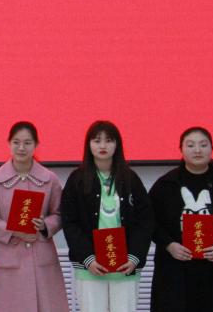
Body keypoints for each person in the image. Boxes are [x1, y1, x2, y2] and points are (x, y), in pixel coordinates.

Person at [148, 126, 213, 312]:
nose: (197, 150)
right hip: (176, 267)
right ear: (181, 149)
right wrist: (169, 245)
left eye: (203, 145)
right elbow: (149, 222)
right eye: (190, 145)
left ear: (212, 148)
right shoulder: (165, 185)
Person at [61, 121, 153, 312]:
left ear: (117, 144)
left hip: (125, 265)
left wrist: (134, 257)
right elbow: (70, 222)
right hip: (90, 267)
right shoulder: (77, 179)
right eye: (97, 141)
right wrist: (88, 258)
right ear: (88, 144)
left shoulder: (130, 178)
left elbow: (145, 221)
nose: (102, 146)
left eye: (109, 140)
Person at [0, 121, 68, 312]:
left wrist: (44, 225)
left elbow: (61, 214)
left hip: (41, 255)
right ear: (8, 143)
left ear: (36, 145)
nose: (21, 148)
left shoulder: (49, 178)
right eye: (16, 142)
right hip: (9, 257)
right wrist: (12, 230)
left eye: (27, 143)